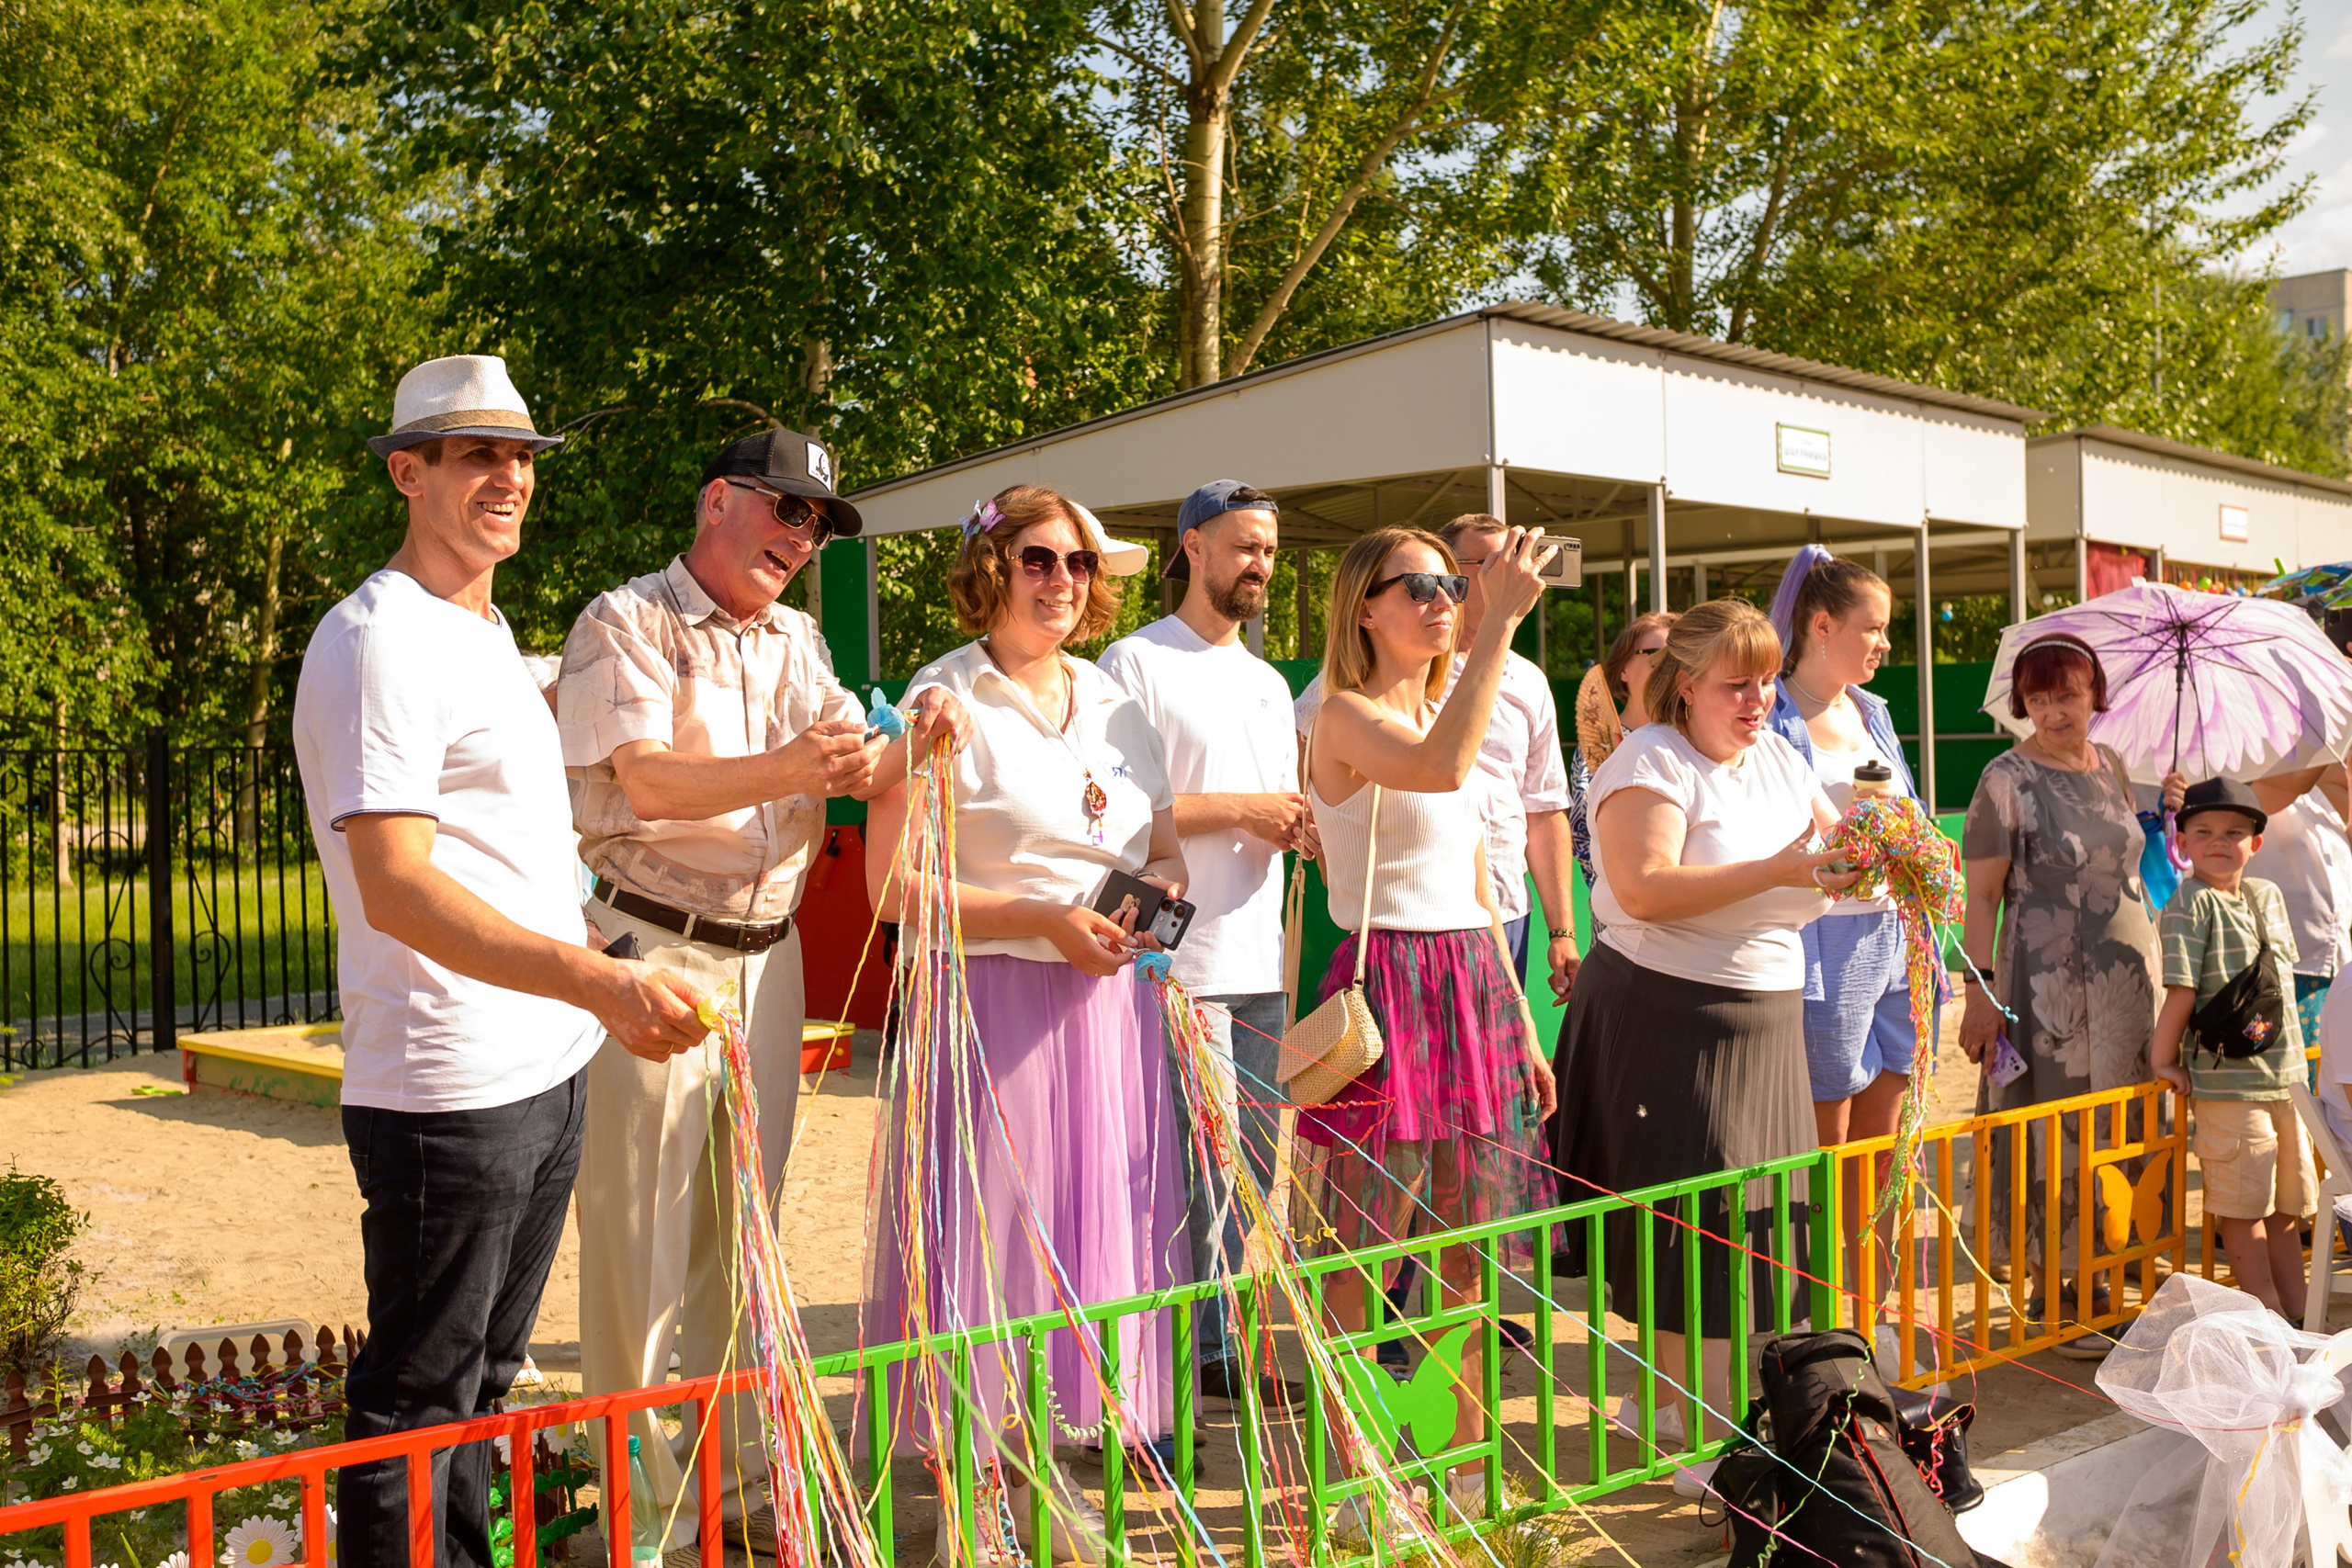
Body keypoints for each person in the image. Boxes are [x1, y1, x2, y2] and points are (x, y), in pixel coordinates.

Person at [293, 355, 711, 1567]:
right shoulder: (376, 641)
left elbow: (513, 853)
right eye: (478, 454)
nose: (509, 477)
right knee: (420, 1402)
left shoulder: (483, 629)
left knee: (477, 1385)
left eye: (522, 456)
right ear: (406, 470)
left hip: (542, 1065)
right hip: (448, 1088)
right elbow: (401, 885)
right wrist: (601, 983)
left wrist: (601, 956)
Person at [555, 428, 967, 1558]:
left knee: (746, 1232)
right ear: (718, 501)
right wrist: (796, 768)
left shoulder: (797, 637)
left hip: (768, 956)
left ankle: (736, 1483)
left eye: (817, 525)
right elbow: (642, 779)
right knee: (638, 1236)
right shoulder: (625, 620)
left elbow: (854, 766)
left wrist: (914, 746)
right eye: (786, 511)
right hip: (655, 945)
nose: (801, 539)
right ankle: (645, 1517)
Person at [862, 485, 1188, 1564]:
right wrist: (1040, 921)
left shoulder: (1115, 699)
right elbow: (893, 888)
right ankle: (980, 1510)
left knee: (1085, 1248)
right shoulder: (942, 697)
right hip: (993, 1003)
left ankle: (1045, 1483)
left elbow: (1159, 846)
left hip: (1110, 1008)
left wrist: (1149, 913)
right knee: (988, 1251)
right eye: (1040, 558)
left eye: (1081, 565)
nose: (1063, 581)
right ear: (991, 567)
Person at [1551, 597, 1855, 1493]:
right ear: (1685, 688)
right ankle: (1703, 1443)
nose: (1760, 698)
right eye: (1738, 684)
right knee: (1697, 1241)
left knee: (1749, 1235)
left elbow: (1827, 852)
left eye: (1767, 679)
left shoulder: (1775, 753)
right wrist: (1781, 870)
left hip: (1763, 1018)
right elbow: (1642, 889)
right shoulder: (1646, 760)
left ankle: (1704, 1423)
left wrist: (1884, 858)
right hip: (1665, 1018)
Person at [1293, 524, 1558, 1539]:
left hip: (1469, 981)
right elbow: (1442, 773)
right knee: (1360, 1262)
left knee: (1462, 1258)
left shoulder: (1450, 704)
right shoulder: (1343, 716)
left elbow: (1479, 885)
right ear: (1365, 607)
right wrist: (1500, 624)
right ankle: (1357, 1479)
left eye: (1453, 585)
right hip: (1388, 984)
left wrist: (1521, 1017)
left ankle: (1441, 1456)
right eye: (1418, 585)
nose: (1443, 597)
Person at [1098, 480, 1308, 1407]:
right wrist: (1244, 809)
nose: (1257, 562)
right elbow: (1113, 812)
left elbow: (1272, 808)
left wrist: (1289, 827)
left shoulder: (1267, 684)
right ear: (1189, 547)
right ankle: (1201, 1351)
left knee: (1254, 1162)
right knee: (1193, 1165)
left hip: (1260, 955)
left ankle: (1212, 1336)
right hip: (1177, 961)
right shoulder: (1134, 662)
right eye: (1240, 545)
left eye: (1267, 547)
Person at [1957, 632, 2182, 1358]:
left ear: (2096, 697)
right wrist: (1979, 991)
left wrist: (2168, 811)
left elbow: (2134, 864)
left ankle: (2113, 1277)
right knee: (2054, 1135)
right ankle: (2060, 1294)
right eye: (2040, 696)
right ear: (2022, 700)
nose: (2054, 710)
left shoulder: (2110, 765)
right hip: (2045, 993)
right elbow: (1981, 896)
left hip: (2126, 986)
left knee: (2121, 1130)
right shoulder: (2004, 778)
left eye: (2069, 694)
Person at [2151, 779, 2315, 1319]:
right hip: (2228, 1086)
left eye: (2234, 832)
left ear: (2256, 842)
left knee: (2288, 1208)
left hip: (2287, 1081)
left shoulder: (2267, 896)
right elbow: (2181, 990)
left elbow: (2282, 988)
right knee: (2243, 1209)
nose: (2219, 841)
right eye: (2203, 831)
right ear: (2181, 840)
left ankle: (2301, 1314)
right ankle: (2267, 1317)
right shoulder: (2188, 904)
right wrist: (2163, 1058)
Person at [1567, 613, 1677, 890]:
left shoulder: (1696, 742)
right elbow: (1584, 837)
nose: (1667, 665)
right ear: (1624, 669)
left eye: (1677, 655)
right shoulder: (1604, 743)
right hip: (1622, 914)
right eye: (1655, 654)